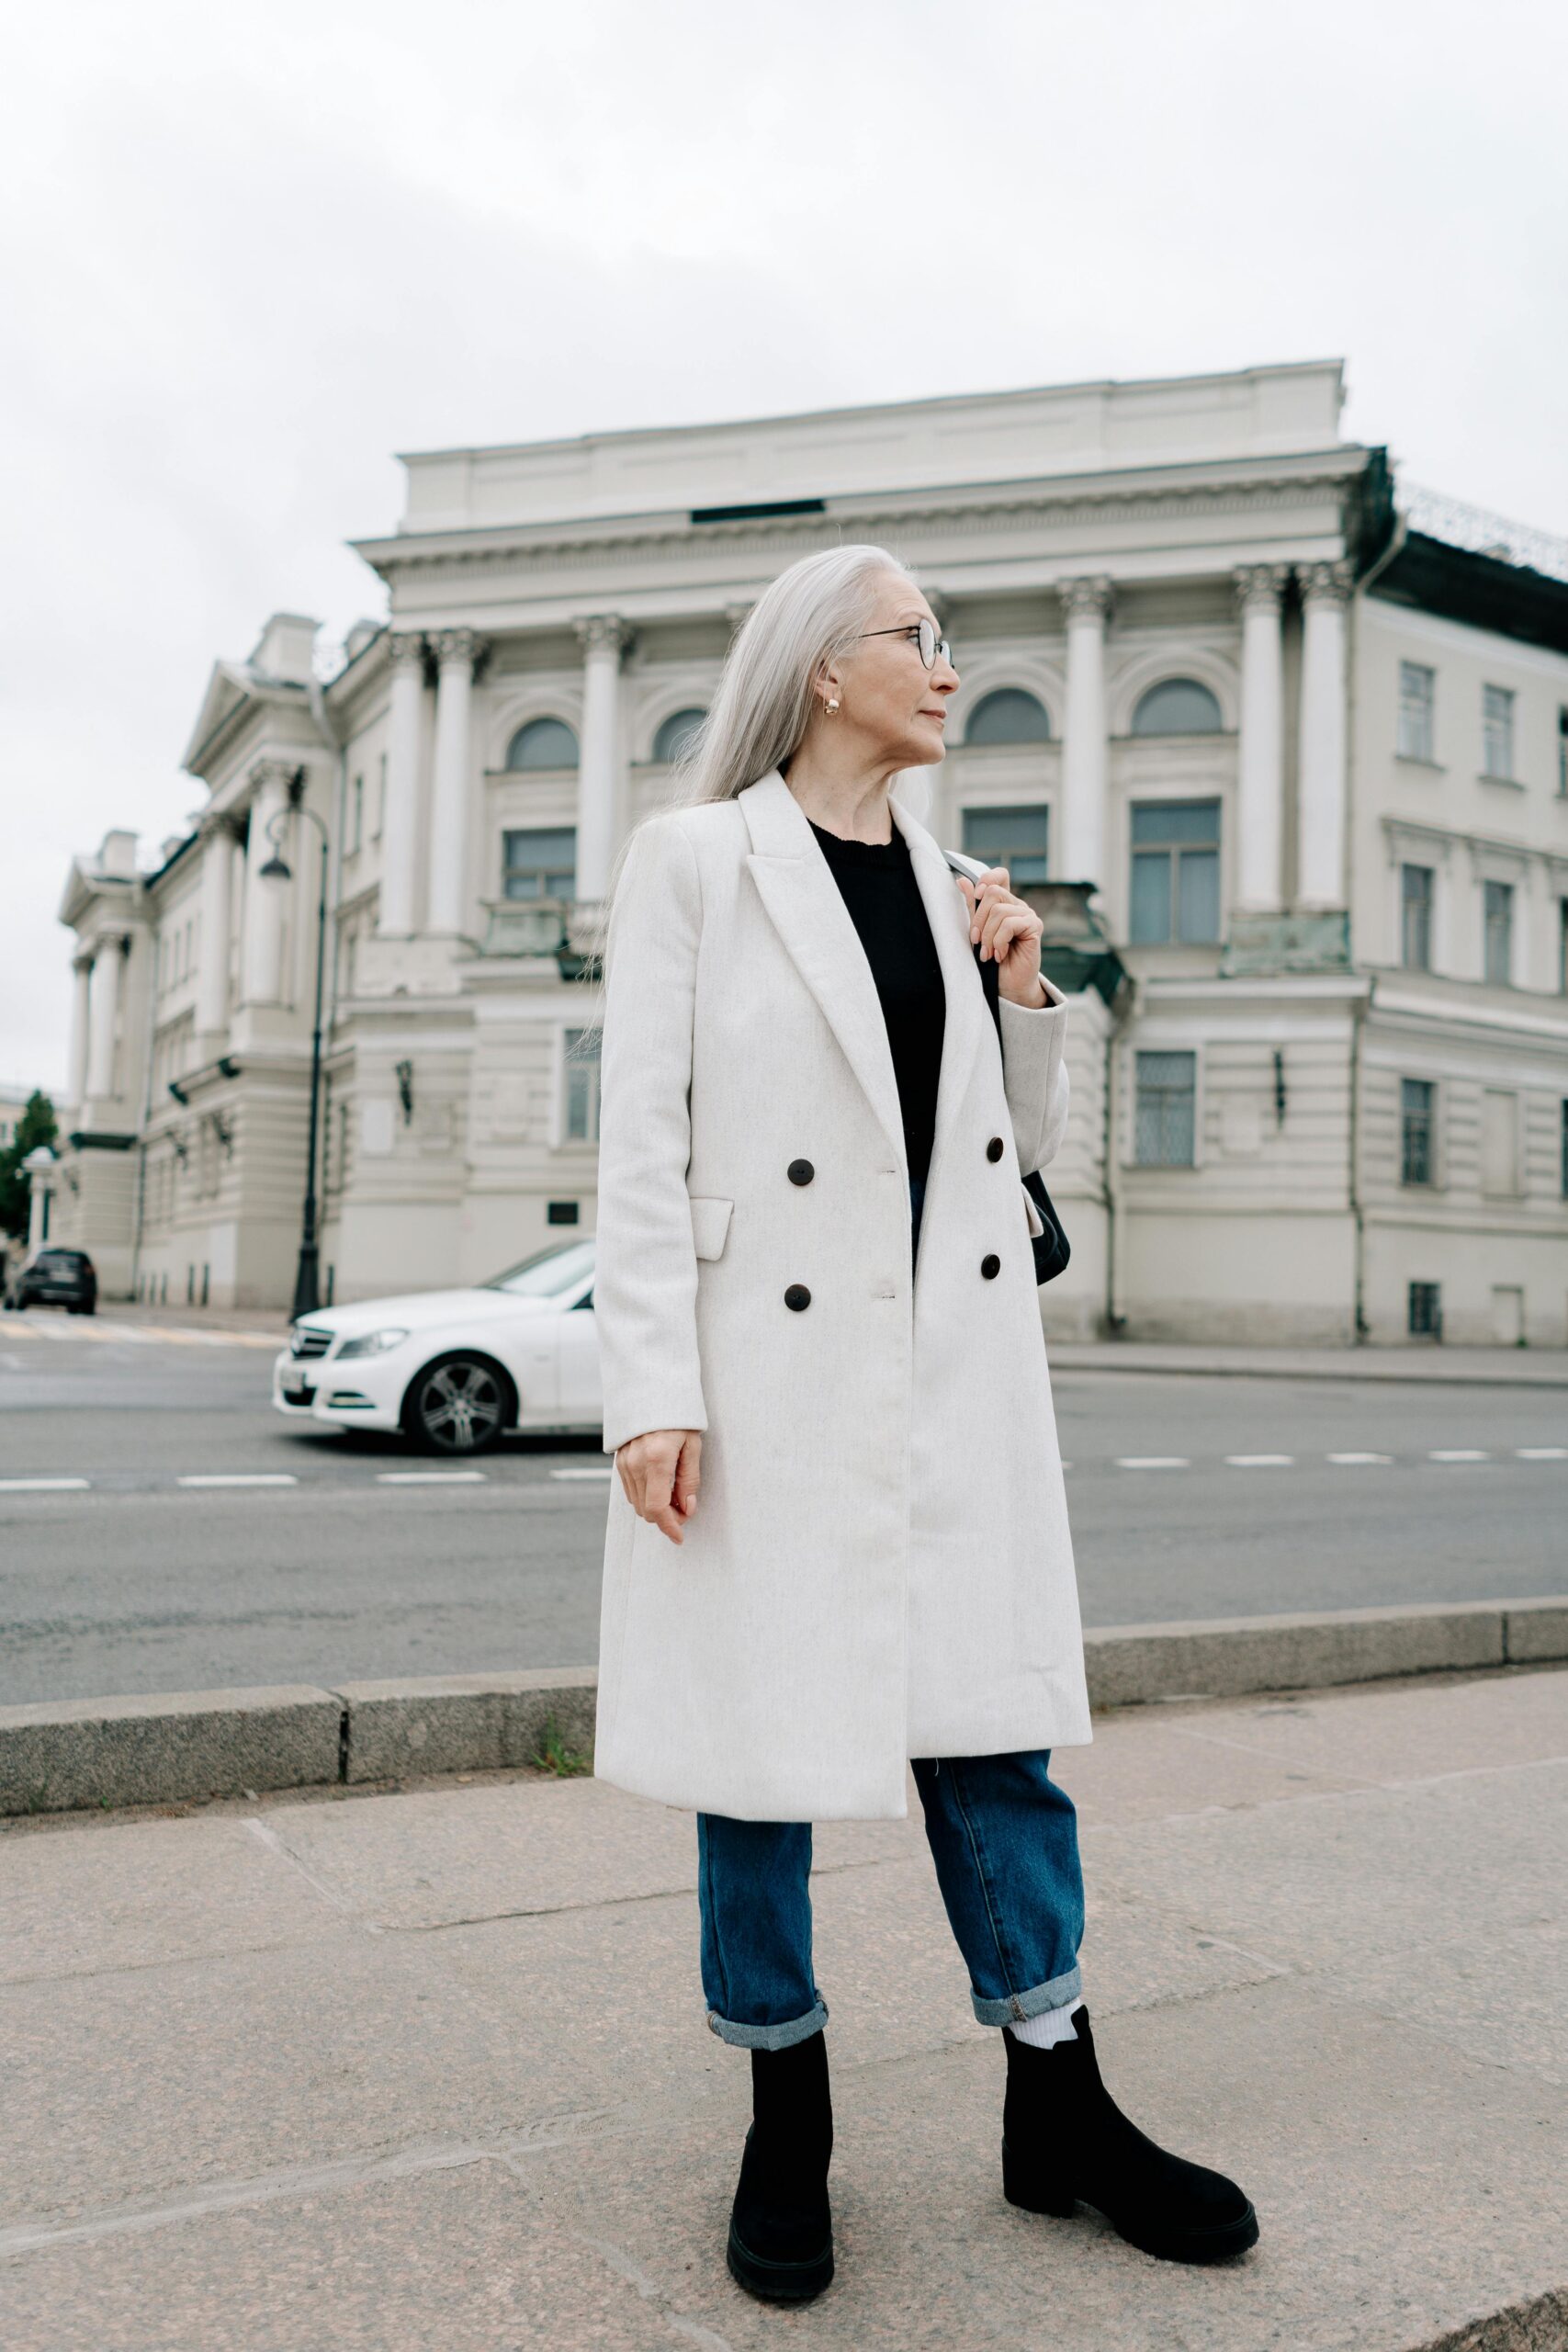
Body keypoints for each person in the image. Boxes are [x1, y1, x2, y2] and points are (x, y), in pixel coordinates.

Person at [591, 544, 1258, 2301]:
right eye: (919, 639)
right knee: (758, 1764)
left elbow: (997, 1172)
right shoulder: (698, 865)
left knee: (996, 1746)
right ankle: (784, 2115)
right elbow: (640, 1155)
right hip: (767, 1388)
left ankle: (1064, 2105)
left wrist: (1025, 992)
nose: (947, 667)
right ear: (826, 668)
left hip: (947, 1378)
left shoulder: (960, 884)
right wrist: (653, 1387)